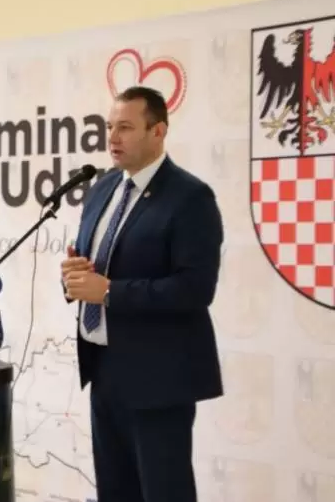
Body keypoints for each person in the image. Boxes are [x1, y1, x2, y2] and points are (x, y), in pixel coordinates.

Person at [61, 86, 224, 502]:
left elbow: (195, 289)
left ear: (158, 132)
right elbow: (94, 267)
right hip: (103, 370)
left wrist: (109, 292)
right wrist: (74, 277)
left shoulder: (190, 198)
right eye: (109, 127)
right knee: (115, 492)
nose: (112, 138)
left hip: (159, 378)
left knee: (163, 492)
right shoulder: (102, 188)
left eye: (126, 128)